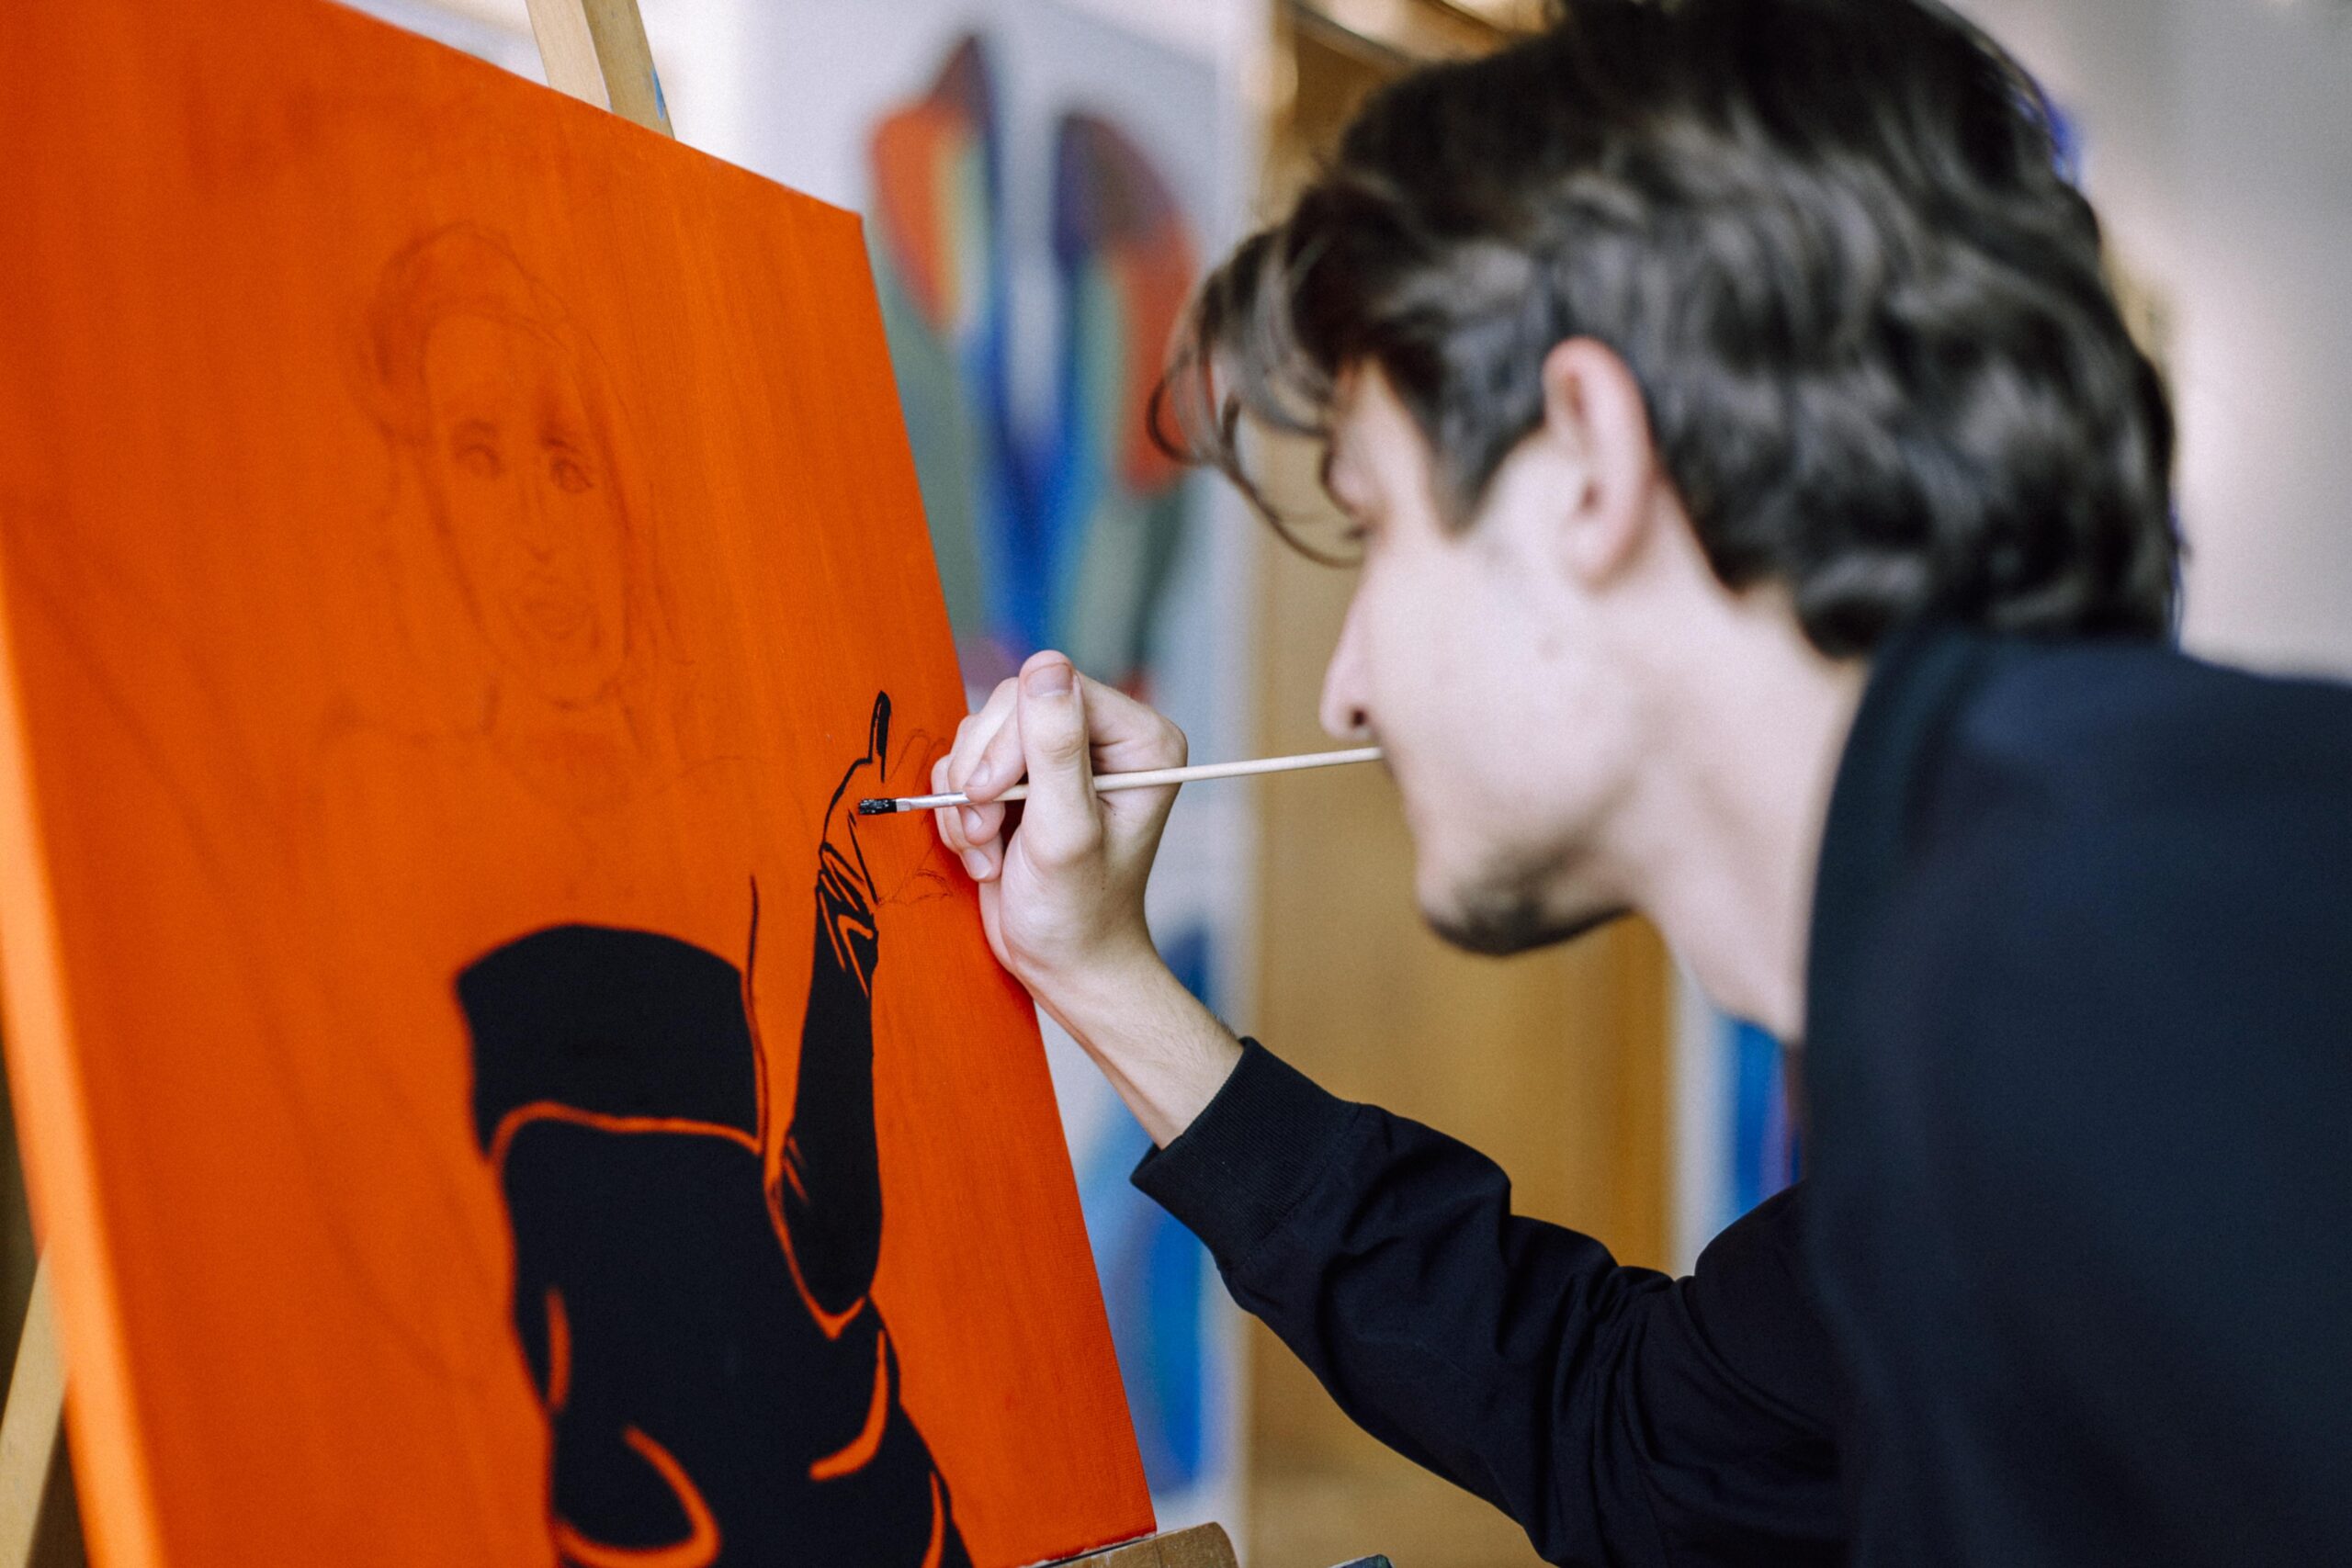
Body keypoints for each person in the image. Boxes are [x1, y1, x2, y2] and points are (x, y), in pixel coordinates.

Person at [927, 1, 2352, 1563]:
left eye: (1377, 519)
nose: (1347, 685)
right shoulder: (2014, 967)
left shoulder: (2122, 954)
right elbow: (1626, 1433)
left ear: (1590, 462)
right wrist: (1103, 973)